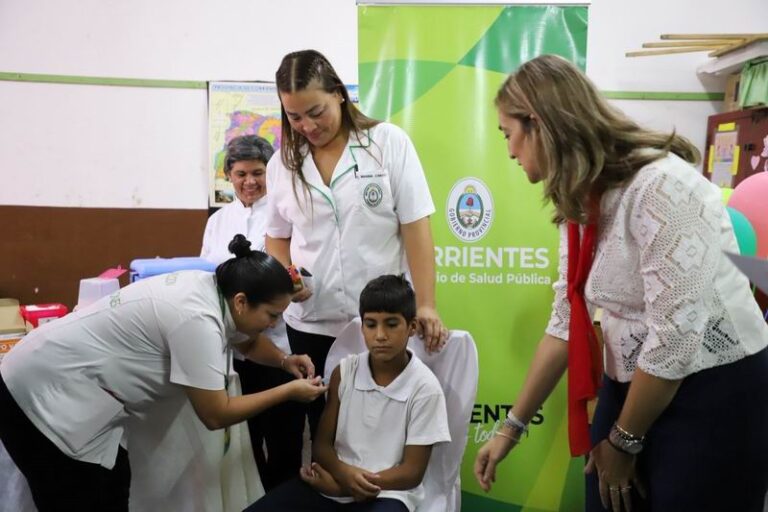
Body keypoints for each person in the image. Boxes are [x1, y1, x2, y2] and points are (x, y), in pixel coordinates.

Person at [473, 54, 768, 512]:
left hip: (714, 390)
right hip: (635, 383)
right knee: (606, 497)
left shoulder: (660, 186)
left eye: (507, 133)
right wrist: (510, 429)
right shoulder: (580, 199)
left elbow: (676, 338)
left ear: (540, 124)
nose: (509, 150)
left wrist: (624, 441)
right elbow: (564, 322)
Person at [0, 235, 327, 511]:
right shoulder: (196, 318)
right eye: (271, 315)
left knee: (113, 485)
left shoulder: (214, 288)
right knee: (84, 495)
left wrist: (285, 362)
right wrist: (288, 391)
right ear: (241, 302)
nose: (273, 324)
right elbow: (215, 413)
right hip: (39, 397)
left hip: (66, 387)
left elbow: (246, 342)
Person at [265, 49, 448, 457]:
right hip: (311, 326)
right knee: (326, 436)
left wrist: (428, 305)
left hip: (378, 324)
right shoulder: (282, 164)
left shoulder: (386, 144)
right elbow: (276, 238)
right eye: (294, 117)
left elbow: (416, 228)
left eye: (316, 111)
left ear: (340, 94)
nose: (307, 126)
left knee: (383, 435)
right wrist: (287, 274)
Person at [245, 274, 451, 512]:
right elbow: (322, 445)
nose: (380, 335)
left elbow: (411, 473)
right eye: (371, 324)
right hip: (333, 482)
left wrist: (345, 486)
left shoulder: (425, 388)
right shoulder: (344, 372)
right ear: (361, 326)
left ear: (412, 327)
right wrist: (343, 476)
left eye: (392, 324)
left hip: (389, 493)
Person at [201, 135, 299, 490]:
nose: (250, 182)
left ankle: (284, 498)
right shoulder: (218, 221)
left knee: (284, 438)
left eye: (258, 173)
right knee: (244, 440)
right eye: (241, 173)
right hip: (233, 349)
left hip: (278, 346)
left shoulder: (284, 215)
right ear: (228, 175)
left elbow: (296, 275)